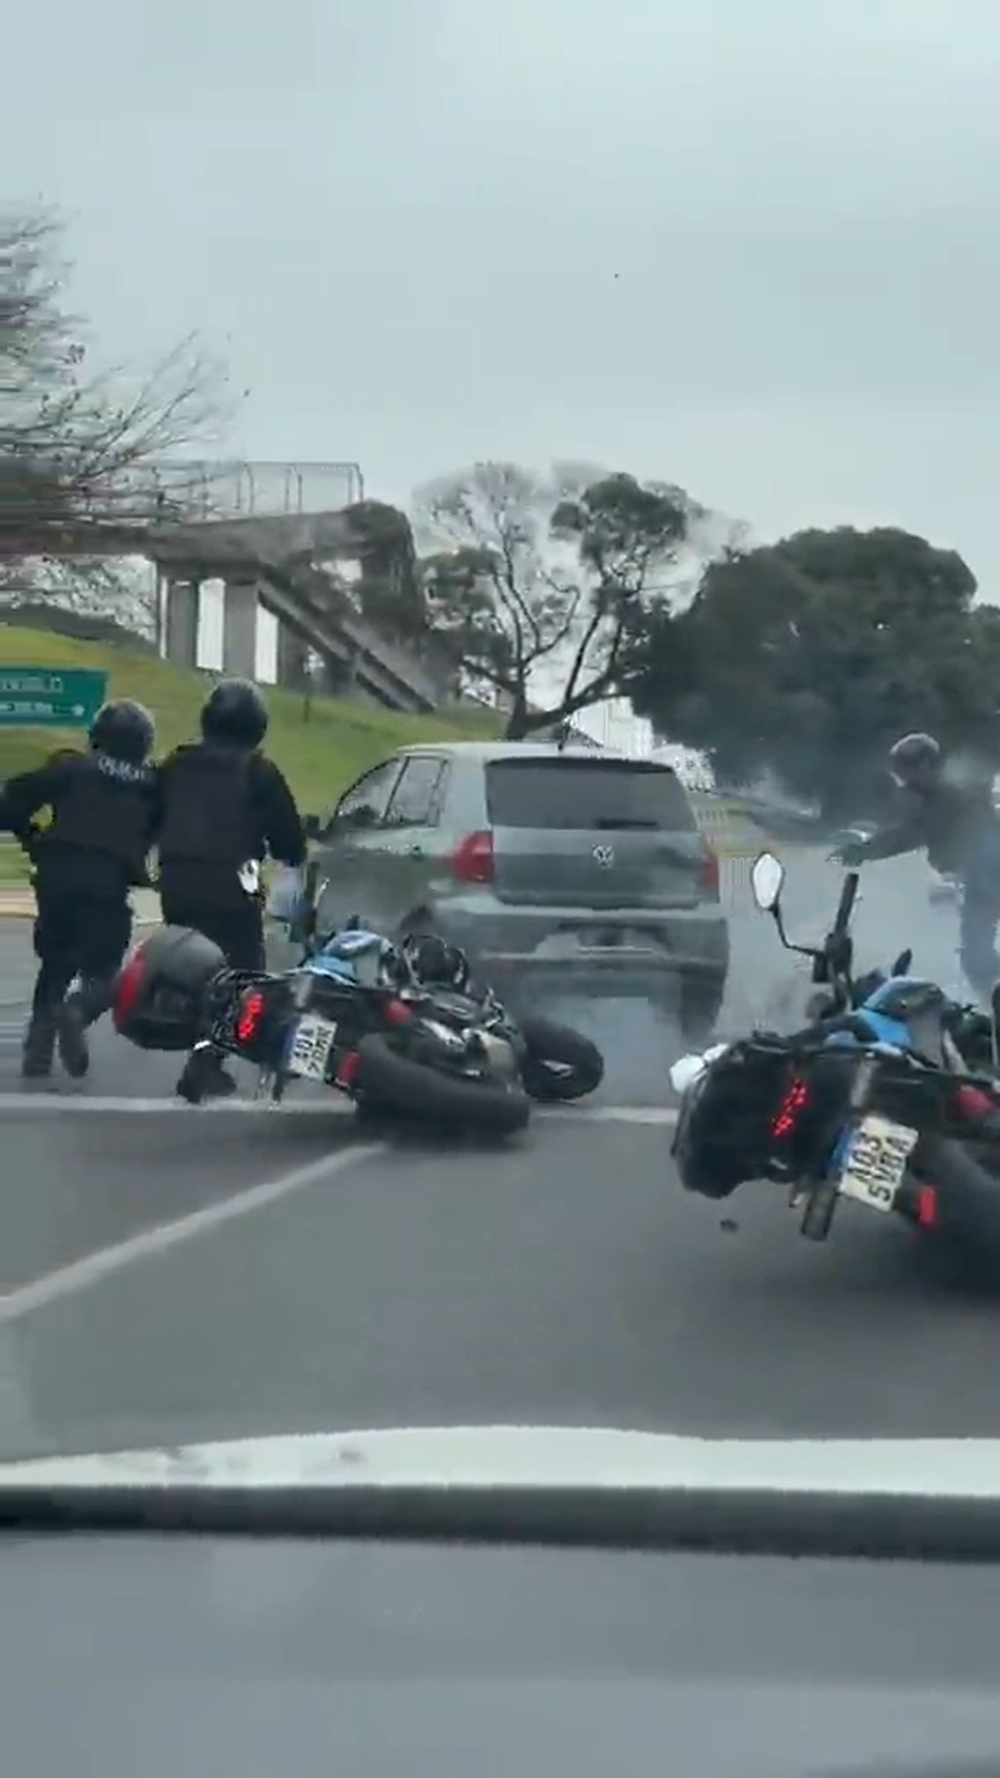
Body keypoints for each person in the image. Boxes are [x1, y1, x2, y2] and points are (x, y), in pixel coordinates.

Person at [156, 676, 307, 1095]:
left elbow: (150, 816)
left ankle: (197, 1045)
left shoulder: (175, 762)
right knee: (247, 975)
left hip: (176, 884)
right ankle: (208, 1058)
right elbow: (290, 842)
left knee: (193, 969)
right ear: (256, 726)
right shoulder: (259, 771)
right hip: (233, 885)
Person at [0, 699, 159, 1079]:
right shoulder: (153, 786)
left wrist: (32, 837)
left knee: (55, 964)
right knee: (104, 972)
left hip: (56, 876)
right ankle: (77, 1011)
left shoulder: (71, 768)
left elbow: (10, 802)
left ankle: (37, 1049)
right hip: (108, 884)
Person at [831, 731, 1000, 1001]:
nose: (904, 783)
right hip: (978, 876)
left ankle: (993, 1009)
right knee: (976, 951)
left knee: (977, 953)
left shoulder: (950, 793)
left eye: (907, 774)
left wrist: (866, 850)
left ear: (926, 765)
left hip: (986, 875)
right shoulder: (944, 789)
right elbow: (907, 830)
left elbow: (908, 833)